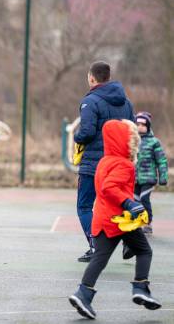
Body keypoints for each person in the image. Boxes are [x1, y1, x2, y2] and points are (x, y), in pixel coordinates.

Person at [69, 119, 161, 319]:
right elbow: (109, 188)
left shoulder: (104, 161)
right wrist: (130, 203)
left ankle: (83, 294)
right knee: (145, 251)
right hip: (120, 220)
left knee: (99, 259)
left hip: (102, 219)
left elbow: (105, 188)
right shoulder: (124, 164)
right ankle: (140, 288)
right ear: (126, 142)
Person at [74, 61, 135, 262]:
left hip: (94, 164)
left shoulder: (90, 101)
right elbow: (132, 131)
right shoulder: (126, 102)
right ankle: (130, 241)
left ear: (92, 77)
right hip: (120, 163)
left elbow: (87, 131)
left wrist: (76, 137)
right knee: (119, 204)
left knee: (84, 206)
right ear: (108, 77)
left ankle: (95, 247)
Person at [134, 111, 168, 234]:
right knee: (135, 200)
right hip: (134, 178)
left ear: (148, 126)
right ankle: (137, 223)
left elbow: (161, 160)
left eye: (143, 124)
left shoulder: (154, 142)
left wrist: (163, 176)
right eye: (137, 124)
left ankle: (148, 223)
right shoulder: (133, 140)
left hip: (149, 177)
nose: (140, 127)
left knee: (144, 198)